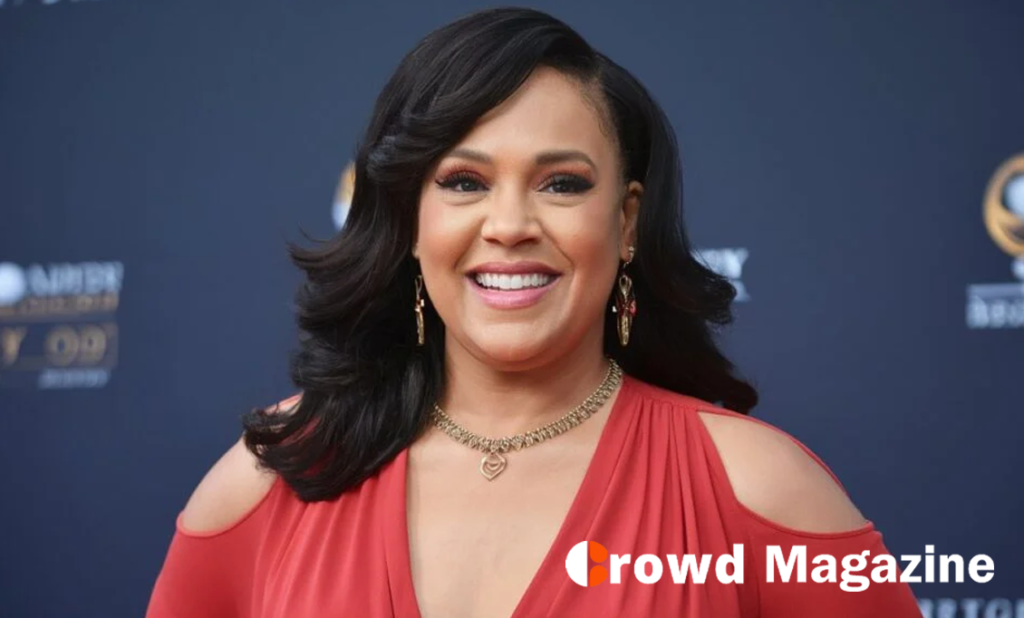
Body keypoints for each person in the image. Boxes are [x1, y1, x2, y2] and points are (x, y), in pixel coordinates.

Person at [145, 7, 921, 617]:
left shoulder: (758, 489)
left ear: (625, 223)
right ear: (409, 219)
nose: (510, 224)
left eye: (561, 184)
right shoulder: (272, 474)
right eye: (463, 182)